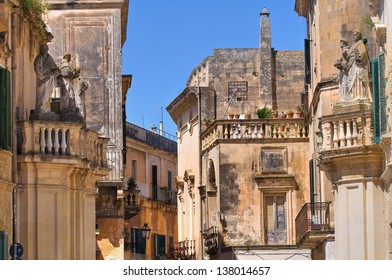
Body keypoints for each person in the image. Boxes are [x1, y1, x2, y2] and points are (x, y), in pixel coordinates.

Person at [34, 44, 60, 113]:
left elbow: (54, 67)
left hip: (49, 79)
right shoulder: (39, 58)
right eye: (43, 49)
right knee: (41, 94)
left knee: (48, 95)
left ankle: (46, 108)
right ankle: (40, 108)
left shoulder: (49, 58)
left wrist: (56, 71)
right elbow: (38, 69)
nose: (45, 50)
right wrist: (47, 72)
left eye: (46, 49)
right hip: (42, 79)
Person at [346, 30, 372, 101]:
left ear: (359, 36)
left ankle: (359, 96)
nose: (353, 37)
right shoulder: (355, 45)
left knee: (358, 81)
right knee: (354, 82)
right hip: (353, 66)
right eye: (353, 35)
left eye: (355, 35)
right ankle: (355, 96)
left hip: (358, 66)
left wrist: (358, 57)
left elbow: (363, 53)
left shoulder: (360, 44)